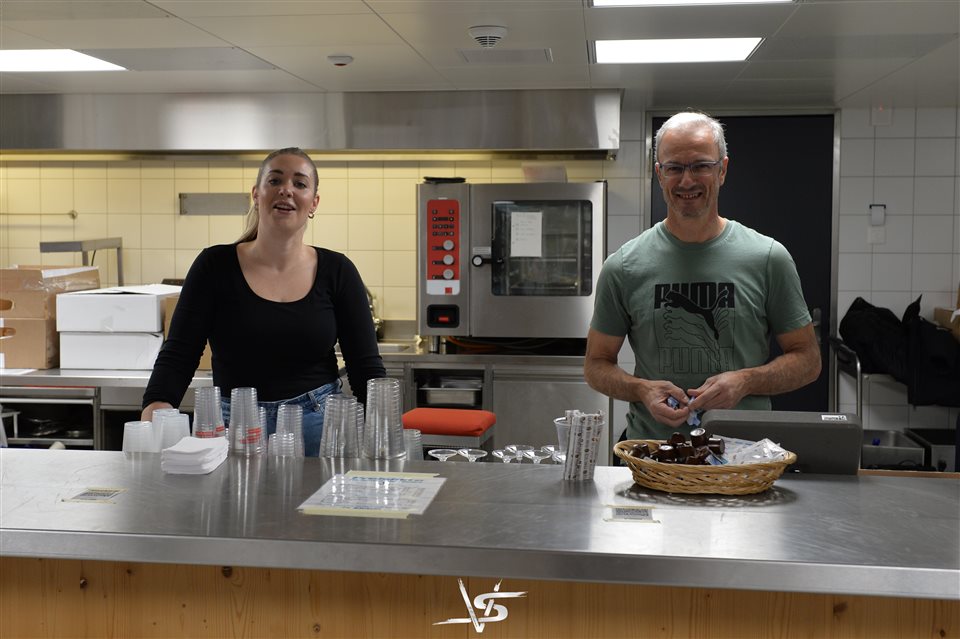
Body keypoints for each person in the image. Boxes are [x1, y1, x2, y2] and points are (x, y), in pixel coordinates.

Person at [584, 112, 821, 441]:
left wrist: (746, 381)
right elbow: (596, 364)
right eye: (674, 168)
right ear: (659, 174)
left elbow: (808, 360)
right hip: (653, 453)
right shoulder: (624, 266)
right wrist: (641, 390)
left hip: (743, 455)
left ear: (722, 170)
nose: (687, 181)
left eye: (700, 166)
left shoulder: (768, 258)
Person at [141, 147, 386, 455]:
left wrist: (383, 438)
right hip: (232, 427)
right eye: (275, 180)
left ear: (314, 202)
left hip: (320, 426)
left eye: (300, 183)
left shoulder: (338, 271)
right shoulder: (214, 266)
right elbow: (179, 354)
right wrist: (155, 412)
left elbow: (365, 366)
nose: (286, 189)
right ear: (256, 194)